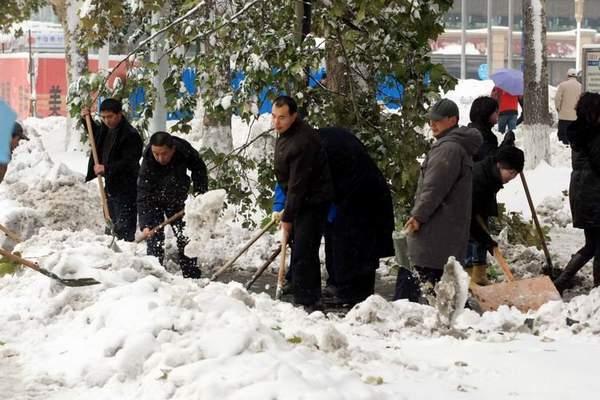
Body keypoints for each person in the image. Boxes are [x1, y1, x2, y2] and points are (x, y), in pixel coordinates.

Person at [395, 98, 482, 302]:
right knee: (440, 289)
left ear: (452, 120)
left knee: (415, 280)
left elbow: (434, 188)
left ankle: (405, 320)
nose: (432, 125)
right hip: (447, 230)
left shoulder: (448, 149)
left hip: (435, 230)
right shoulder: (455, 146)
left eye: (438, 120)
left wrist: (418, 216)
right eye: (430, 121)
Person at [318, 127, 395, 306]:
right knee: (336, 239)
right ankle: (339, 285)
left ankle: (353, 293)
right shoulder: (322, 144)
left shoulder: (321, 147)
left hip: (363, 200)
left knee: (356, 247)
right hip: (345, 196)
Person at [272, 95, 333, 312]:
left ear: (294, 116)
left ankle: (308, 301)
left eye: (282, 117)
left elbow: (298, 184)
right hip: (299, 199)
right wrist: (284, 208)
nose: (276, 122)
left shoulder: (302, 141)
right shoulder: (287, 134)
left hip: (312, 201)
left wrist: (288, 217)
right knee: (300, 246)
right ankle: (303, 292)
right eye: (274, 116)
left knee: (304, 250)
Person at [137, 131, 207, 278]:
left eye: (164, 154)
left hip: (176, 198)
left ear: (172, 149)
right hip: (153, 200)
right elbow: (143, 195)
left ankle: (191, 274)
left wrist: (200, 194)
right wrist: (145, 224)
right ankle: (155, 275)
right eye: (156, 154)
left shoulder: (182, 149)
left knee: (185, 236)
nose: (160, 158)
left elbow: (199, 168)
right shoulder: (148, 161)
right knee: (154, 239)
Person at [553, 92, 600, 293]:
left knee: (593, 244)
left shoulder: (579, 132)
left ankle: (563, 282)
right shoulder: (594, 134)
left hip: (582, 192)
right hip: (594, 194)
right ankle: (595, 287)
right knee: (596, 245)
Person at [83, 98, 143, 241]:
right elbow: (95, 135)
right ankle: (111, 248)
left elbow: (130, 161)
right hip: (111, 184)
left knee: (124, 225)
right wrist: (86, 119)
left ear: (119, 114)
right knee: (111, 221)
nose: (106, 121)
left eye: (110, 117)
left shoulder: (130, 135)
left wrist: (106, 168)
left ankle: (124, 249)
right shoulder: (107, 129)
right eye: (103, 117)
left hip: (126, 186)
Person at [466, 146, 525, 285]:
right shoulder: (478, 179)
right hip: (458, 214)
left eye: (516, 174)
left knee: (480, 239)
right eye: (511, 172)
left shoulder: (491, 173)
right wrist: (486, 240)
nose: (512, 177)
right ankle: (467, 281)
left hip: (476, 210)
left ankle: (478, 277)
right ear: (499, 165)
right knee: (468, 240)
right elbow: (468, 218)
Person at [555, 68, 582, 145]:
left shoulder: (563, 85)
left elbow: (557, 98)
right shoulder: (580, 86)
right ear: (576, 76)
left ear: (568, 75)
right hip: (575, 116)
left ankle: (564, 146)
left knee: (562, 135)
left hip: (564, 116)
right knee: (574, 134)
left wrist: (558, 108)